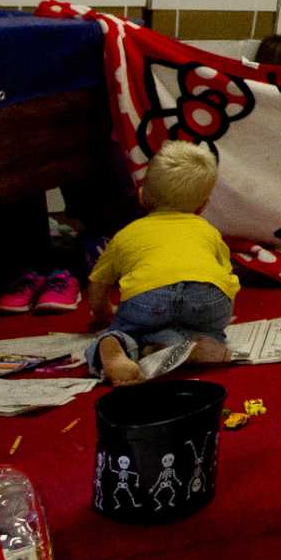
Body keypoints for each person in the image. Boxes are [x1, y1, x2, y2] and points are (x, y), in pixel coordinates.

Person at [84, 140, 240, 386]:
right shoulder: (208, 231)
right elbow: (226, 277)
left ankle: (116, 345)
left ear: (142, 194)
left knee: (130, 330)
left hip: (149, 297)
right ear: (202, 206)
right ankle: (198, 344)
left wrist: (103, 312)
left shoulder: (127, 233)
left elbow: (98, 282)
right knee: (205, 328)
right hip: (206, 295)